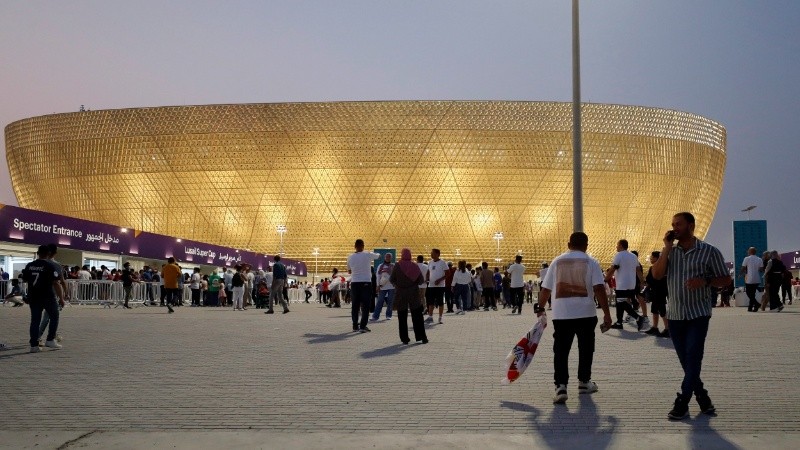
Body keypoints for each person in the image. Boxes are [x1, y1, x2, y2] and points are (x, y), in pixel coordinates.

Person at [650, 212, 730, 420]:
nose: (675, 228)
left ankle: (682, 402)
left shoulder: (709, 251)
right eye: (673, 225)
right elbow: (657, 275)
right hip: (675, 315)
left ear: (691, 226)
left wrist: (704, 282)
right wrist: (666, 248)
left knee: (693, 356)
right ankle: (703, 397)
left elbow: (725, 280)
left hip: (698, 314)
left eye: (679, 224)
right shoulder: (671, 252)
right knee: (687, 361)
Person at [535, 232, 612, 404]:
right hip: (586, 313)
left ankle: (561, 386)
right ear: (586, 245)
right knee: (586, 349)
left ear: (569, 244)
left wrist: (540, 309)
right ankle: (584, 382)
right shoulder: (591, 262)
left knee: (561, 351)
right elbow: (599, 288)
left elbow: (545, 289)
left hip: (562, 315)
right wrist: (607, 313)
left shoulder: (557, 262)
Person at [22, 245, 66, 353]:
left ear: (38, 253)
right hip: (47, 296)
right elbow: (56, 283)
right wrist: (61, 298)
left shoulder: (30, 265)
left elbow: (25, 281)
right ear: (48, 253)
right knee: (54, 316)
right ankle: (50, 339)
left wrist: (25, 295)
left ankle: (34, 345)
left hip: (33, 296)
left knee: (35, 320)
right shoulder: (50, 265)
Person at [606, 239, 646, 331]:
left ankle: (638, 318)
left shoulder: (618, 255)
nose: (616, 247)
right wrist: (642, 282)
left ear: (621, 245)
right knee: (620, 302)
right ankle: (619, 322)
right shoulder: (633, 256)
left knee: (621, 302)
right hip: (631, 284)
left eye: (617, 245)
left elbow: (612, 268)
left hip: (622, 283)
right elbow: (638, 270)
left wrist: (606, 279)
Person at [390, 248, 428, 344]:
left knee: (402, 317)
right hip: (413, 293)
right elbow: (421, 280)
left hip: (401, 294)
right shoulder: (414, 265)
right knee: (418, 316)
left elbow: (391, 279)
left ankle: (404, 338)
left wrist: (397, 285)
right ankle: (421, 337)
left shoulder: (397, 265)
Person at [347, 239, 380, 333]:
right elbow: (378, 256)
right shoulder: (367, 254)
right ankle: (362, 326)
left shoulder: (350, 257)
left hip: (354, 283)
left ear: (355, 246)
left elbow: (349, 271)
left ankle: (354, 326)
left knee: (355, 305)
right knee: (365, 305)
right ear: (363, 246)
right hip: (365, 282)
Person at [644, 251, 669, 337]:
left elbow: (649, 280)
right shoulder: (665, 267)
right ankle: (655, 327)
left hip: (658, 291)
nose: (650, 259)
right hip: (659, 291)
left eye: (652, 258)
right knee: (654, 309)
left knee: (662, 310)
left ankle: (667, 329)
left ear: (656, 258)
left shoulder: (654, 267)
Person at [425, 249, 448, 324]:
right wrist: (427, 278)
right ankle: (430, 317)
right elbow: (428, 272)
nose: (431, 254)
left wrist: (440, 280)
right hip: (431, 285)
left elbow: (447, 273)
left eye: (433, 253)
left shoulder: (443, 262)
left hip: (440, 286)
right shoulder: (430, 262)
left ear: (438, 254)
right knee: (430, 302)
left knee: (440, 302)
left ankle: (440, 317)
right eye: (431, 253)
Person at [372, 253, 396, 321]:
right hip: (382, 286)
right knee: (380, 301)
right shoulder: (380, 266)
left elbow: (396, 276)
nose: (388, 258)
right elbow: (378, 276)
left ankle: (388, 315)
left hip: (391, 286)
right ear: (384, 257)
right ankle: (375, 316)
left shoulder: (393, 266)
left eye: (389, 257)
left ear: (391, 258)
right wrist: (377, 285)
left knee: (390, 301)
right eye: (386, 257)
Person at [740, 247, 764, 312]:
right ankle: (750, 308)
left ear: (750, 251)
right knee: (752, 293)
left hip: (749, 279)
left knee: (748, 293)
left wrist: (740, 274)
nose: (747, 251)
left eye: (748, 250)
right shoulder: (759, 259)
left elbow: (743, 267)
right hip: (757, 279)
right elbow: (761, 269)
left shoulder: (746, 258)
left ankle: (757, 304)